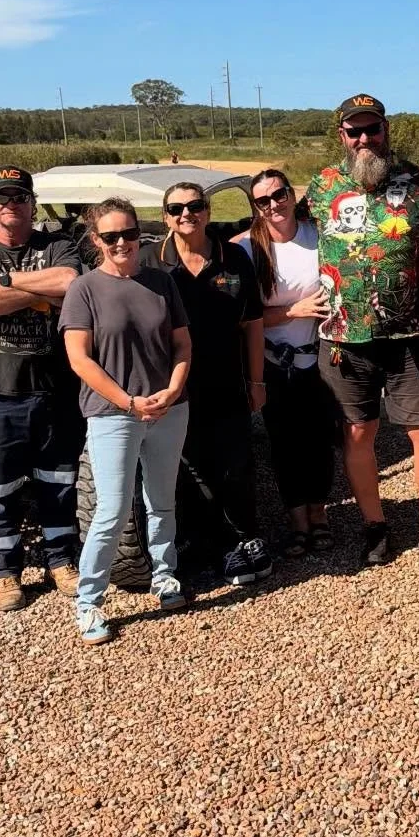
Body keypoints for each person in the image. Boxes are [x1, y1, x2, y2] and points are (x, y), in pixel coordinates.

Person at [305, 94, 419, 569]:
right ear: (342, 136)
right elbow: (272, 230)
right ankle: (375, 525)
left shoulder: (415, 181)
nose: (364, 139)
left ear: (385, 129)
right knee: (357, 433)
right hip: (342, 337)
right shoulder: (321, 187)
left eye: (371, 129)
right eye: (354, 131)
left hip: (409, 332)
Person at [0, 165, 84, 611]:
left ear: (32, 202)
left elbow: (69, 282)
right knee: (1, 486)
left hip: (55, 386)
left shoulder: (58, 245)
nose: (12, 205)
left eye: (20, 197)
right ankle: (5, 572)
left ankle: (61, 560)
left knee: (59, 480)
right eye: (2, 198)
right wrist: (40, 295)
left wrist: (6, 282)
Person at [61, 198, 192, 645]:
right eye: (111, 236)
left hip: (169, 407)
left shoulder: (161, 282)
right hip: (112, 413)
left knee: (162, 499)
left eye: (129, 234)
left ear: (141, 234)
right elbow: (79, 359)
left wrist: (173, 390)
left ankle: (165, 575)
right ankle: (89, 602)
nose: (123, 243)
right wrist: (128, 402)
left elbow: (182, 345)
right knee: (112, 510)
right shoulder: (85, 289)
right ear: (96, 240)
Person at [144, 181, 272, 590]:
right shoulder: (149, 261)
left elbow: (252, 324)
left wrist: (256, 380)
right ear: (165, 216)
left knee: (234, 463)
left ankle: (243, 537)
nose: (187, 214)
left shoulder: (232, 257)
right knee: (187, 466)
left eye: (195, 205)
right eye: (176, 207)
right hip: (171, 386)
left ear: (208, 210)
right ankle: (203, 542)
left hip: (226, 378)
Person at [238, 168, 340, 556]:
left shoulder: (319, 238)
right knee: (284, 445)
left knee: (320, 440)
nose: (273, 205)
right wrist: (292, 311)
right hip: (274, 363)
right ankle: (297, 521)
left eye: (278, 195)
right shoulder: (249, 249)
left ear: (291, 194)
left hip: (320, 358)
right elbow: (245, 317)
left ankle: (320, 514)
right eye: (262, 200)